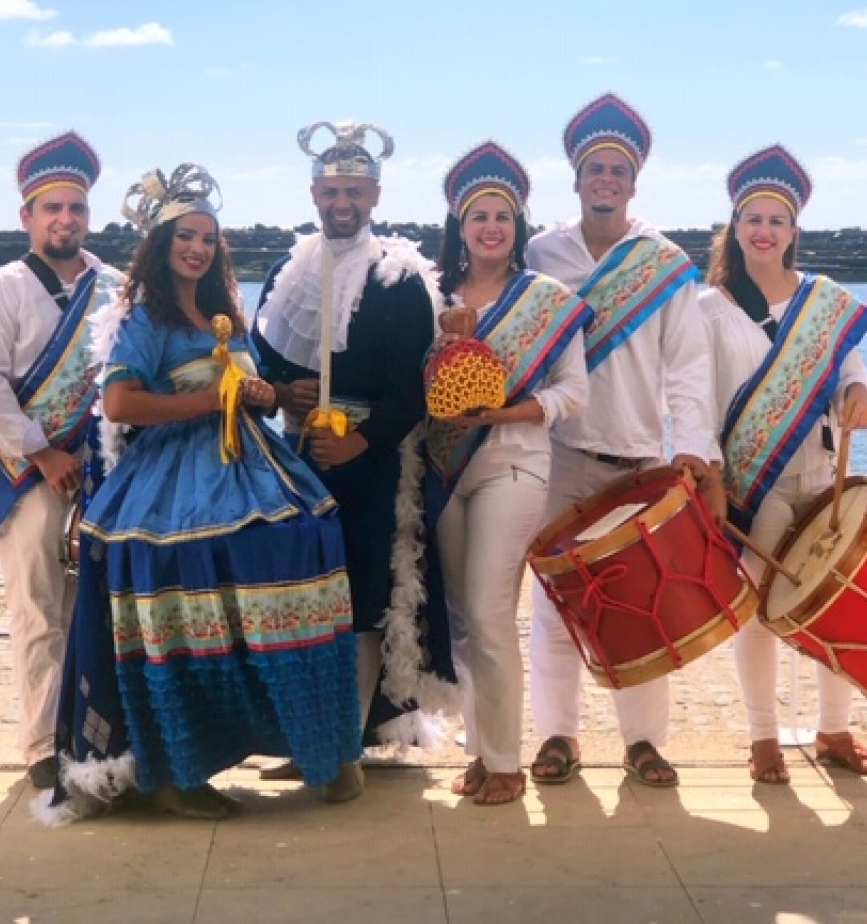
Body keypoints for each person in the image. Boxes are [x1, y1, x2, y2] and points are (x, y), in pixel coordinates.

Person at [44, 164, 363, 822]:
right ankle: (175, 771)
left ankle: (321, 746)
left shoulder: (225, 314)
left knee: (304, 544)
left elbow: (244, 392)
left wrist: (264, 394)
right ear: (161, 245)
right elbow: (119, 402)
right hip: (173, 475)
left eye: (208, 239)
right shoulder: (145, 319)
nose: (197, 248)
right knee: (198, 573)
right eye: (185, 236)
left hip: (253, 463)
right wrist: (209, 400)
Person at [525, 94, 725, 788]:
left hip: (637, 461)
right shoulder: (542, 252)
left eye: (617, 171)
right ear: (577, 180)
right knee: (555, 606)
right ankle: (558, 736)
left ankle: (643, 743)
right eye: (595, 170)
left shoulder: (663, 262)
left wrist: (692, 450)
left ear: (633, 184)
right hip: (557, 454)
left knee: (642, 607)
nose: (605, 180)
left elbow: (688, 367)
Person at [252, 121, 456, 792]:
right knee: (307, 598)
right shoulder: (288, 271)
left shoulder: (400, 277)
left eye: (354, 192)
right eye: (331, 191)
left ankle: (346, 751)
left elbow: (415, 388)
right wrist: (284, 390)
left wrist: (360, 440)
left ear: (375, 196)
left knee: (364, 595)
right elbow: (265, 359)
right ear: (314, 193)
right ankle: (310, 739)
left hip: (372, 458)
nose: (342, 203)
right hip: (300, 454)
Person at [701, 144, 867, 784]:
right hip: (757, 484)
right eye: (753, 218)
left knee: (836, 604)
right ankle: (763, 739)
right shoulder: (707, 308)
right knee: (759, 609)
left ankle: (835, 730)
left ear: (793, 230)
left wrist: (859, 396)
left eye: (777, 220)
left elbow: (852, 373)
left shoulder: (822, 300)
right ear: (735, 228)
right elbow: (697, 399)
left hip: (824, 477)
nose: (765, 230)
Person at [425, 142, 591, 806]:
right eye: (479, 217)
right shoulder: (432, 297)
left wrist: (506, 412)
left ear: (517, 226)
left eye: (502, 217)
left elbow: (573, 391)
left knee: (492, 611)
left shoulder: (547, 300)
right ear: (460, 227)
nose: (491, 227)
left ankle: (505, 762)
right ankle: (479, 750)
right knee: (461, 618)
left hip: (514, 460)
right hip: (446, 466)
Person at [0, 131, 123, 790]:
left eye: (76, 208)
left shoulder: (114, 286)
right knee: (37, 606)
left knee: (94, 607)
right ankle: (39, 743)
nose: (65, 219)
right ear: (27, 216)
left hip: (101, 469)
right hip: (31, 471)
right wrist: (42, 449)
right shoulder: (1, 289)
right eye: (51, 208)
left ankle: (90, 731)